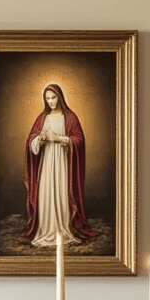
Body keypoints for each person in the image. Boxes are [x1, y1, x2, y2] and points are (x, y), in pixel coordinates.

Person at [20, 83, 95, 245]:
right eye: (47, 99)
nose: (51, 102)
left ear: (60, 97)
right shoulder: (42, 118)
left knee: (62, 192)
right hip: (46, 164)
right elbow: (30, 142)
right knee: (46, 193)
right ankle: (46, 228)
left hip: (63, 163)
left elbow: (79, 140)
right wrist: (38, 141)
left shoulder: (70, 117)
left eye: (53, 98)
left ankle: (62, 230)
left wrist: (58, 138)